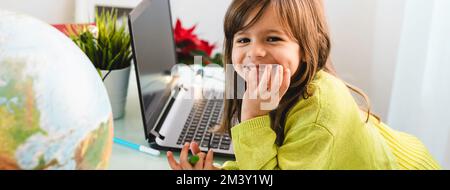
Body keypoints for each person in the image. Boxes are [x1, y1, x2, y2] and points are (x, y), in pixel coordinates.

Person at [166, 0, 441, 170]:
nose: (255, 52)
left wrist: (252, 117)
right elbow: (278, 159)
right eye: (243, 39)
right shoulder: (271, 87)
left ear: (305, 48)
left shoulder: (318, 117)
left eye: (273, 38)